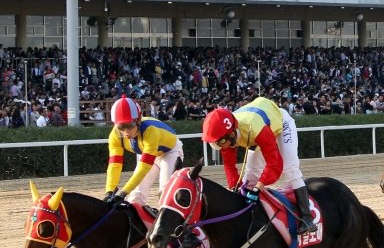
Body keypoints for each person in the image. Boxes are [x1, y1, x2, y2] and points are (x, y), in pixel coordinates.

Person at [201, 97, 317, 235]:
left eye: (219, 143)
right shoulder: (227, 137)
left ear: (231, 134)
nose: (218, 147)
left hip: (279, 124)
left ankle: (307, 218)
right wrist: (234, 188)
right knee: (249, 178)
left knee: (290, 168)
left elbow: (274, 163)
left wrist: (259, 187)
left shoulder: (255, 129)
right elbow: (229, 166)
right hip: (255, 128)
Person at [104, 95, 184, 208]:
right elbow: (114, 165)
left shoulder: (150, 130)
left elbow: (144, 168)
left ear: (138, 121)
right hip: (152, 153)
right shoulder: (114, 135)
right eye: (121, 127)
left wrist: (123, 193)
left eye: (130, 126)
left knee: (165, 192)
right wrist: (109, 191)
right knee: (135, 196)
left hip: (170, 152)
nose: (126, 132)